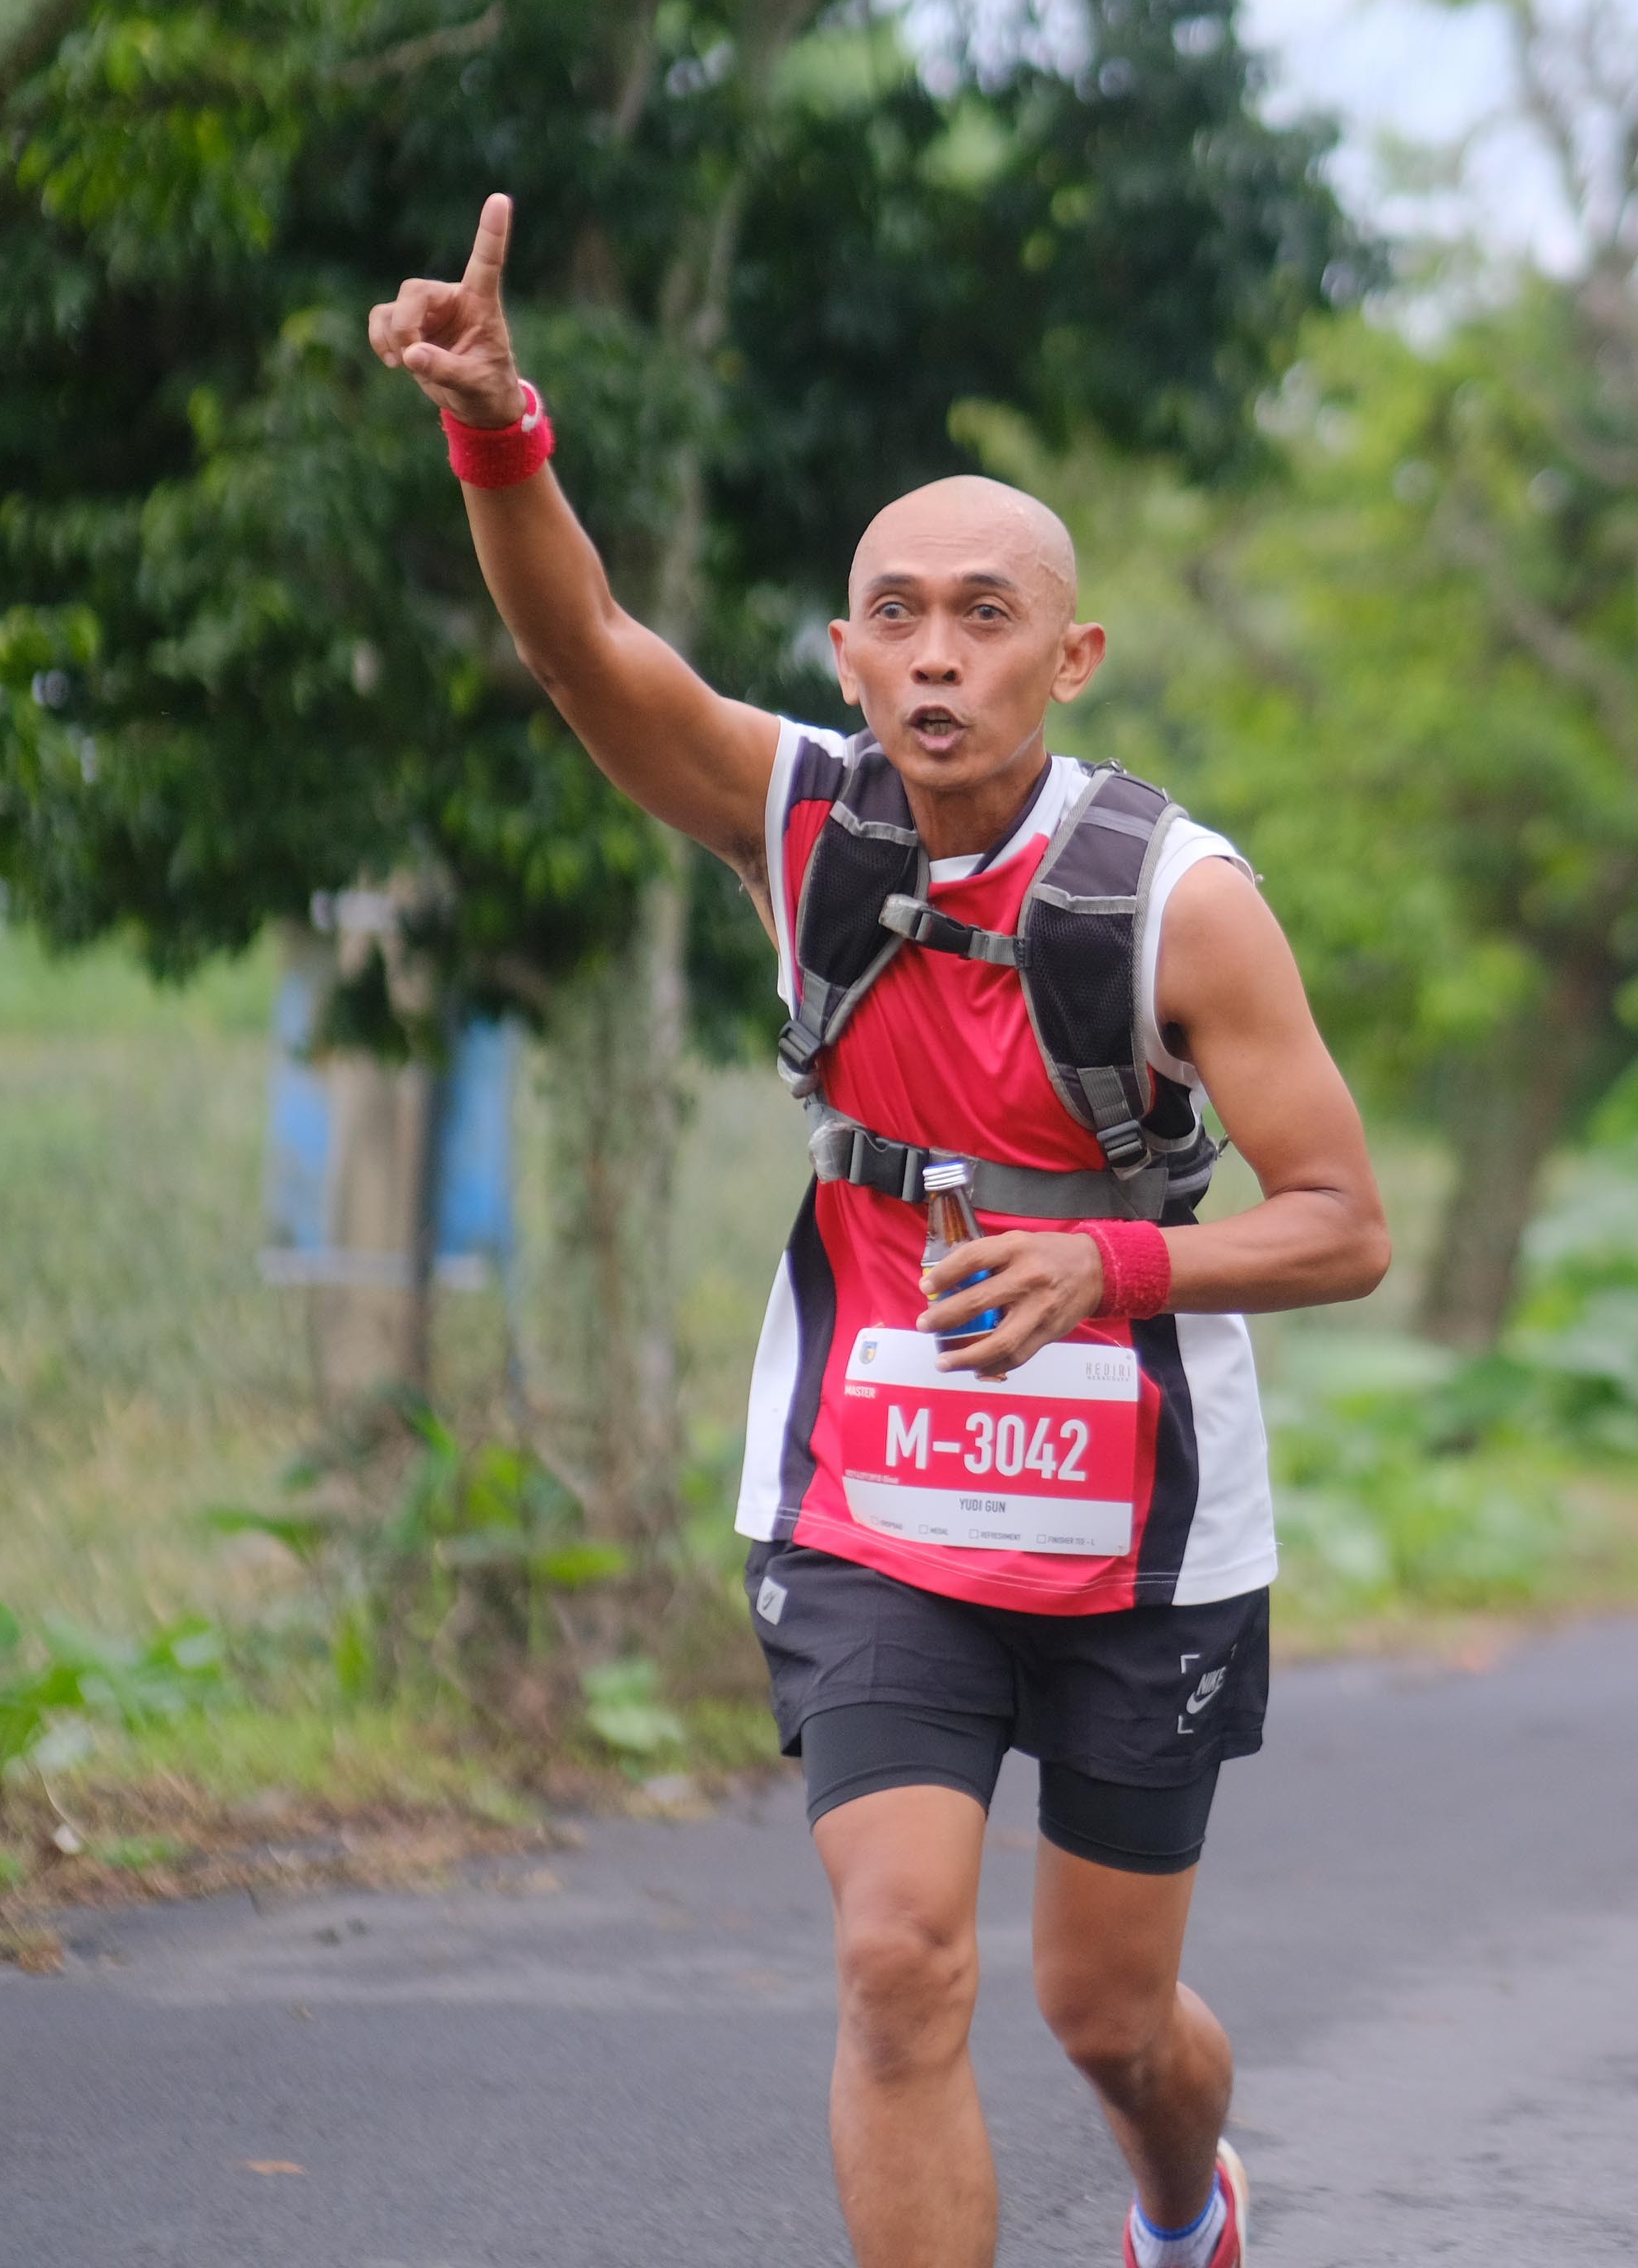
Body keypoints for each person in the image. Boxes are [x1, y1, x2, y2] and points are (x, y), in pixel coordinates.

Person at [372, 197, 1392, 2268]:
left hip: (1136, 1524)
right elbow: (587, 652)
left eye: (986, 615)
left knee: (1105, 2014)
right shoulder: (806, 821)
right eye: (897, 615)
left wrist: (1105, 1262)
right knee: (897, 1958)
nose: (936, 654)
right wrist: (496, 428)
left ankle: (1182, 2200)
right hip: (875, 1480)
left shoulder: (1176, 902)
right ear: (846, 651)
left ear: (1069, 656)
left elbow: (1343, 1225)